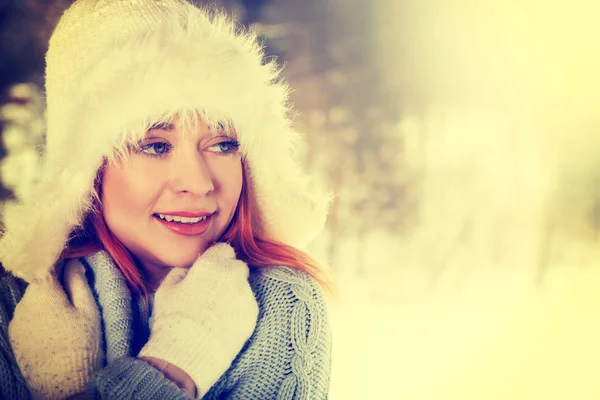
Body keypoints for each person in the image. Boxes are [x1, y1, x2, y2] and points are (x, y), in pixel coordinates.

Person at [0, 0, 333, 399]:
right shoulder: (9, 304)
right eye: (155, 146)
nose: (198, 183)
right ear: (87, 169)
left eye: (223, 143)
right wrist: (173, 366)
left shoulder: (282, 305)